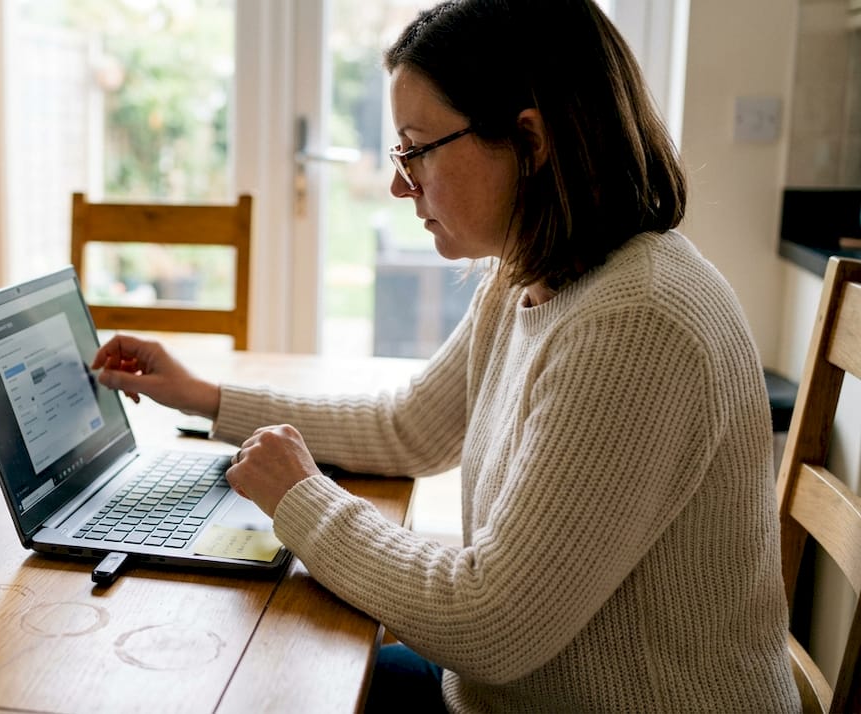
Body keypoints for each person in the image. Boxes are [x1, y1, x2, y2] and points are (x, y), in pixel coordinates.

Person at [90, 0, 799, 710]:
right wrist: (206, 398)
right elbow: (407, 427)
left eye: (416, 148)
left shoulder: (637, 322)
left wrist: (302, 499)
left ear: (530, 140)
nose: (401, 183)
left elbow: (491, 622)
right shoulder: (532, 271)